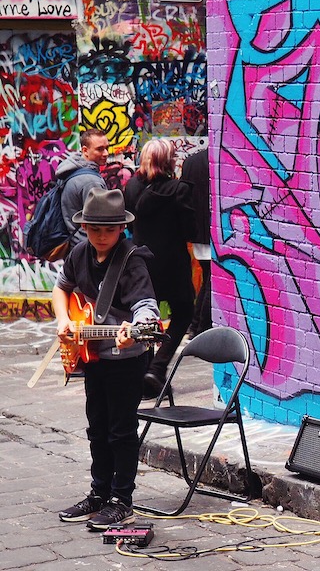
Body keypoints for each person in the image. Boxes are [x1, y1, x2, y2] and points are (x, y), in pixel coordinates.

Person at [53, 188, 160, 531]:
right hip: (94, 357)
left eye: (109, 230)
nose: (101, 236)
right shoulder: (79, 253)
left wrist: (138, 328)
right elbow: (61, 287)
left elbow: (147, 309)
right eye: (94, 229)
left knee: (121, 431)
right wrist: (63, 320)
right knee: (96, 428)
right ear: (84, 226)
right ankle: (99, 493)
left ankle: (121, 500)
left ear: (122, 229)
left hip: (126, 358)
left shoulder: (133, 261)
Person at [124, 138, 195, 398]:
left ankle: (144, 372)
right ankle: (156, 368)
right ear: (168, 161)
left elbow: (129, 224)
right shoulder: (178, 190)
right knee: (184, 313)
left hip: (140, 262)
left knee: (144, 314)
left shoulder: (131, 186)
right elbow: (190, 230)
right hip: (172, 264)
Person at [56, 129, 109, 249]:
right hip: (89, 248)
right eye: (100, 149)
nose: (106, 153)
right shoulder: (91, 181)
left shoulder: (70, 170)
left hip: (74, 245)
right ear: (85, 150)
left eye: (107, 148)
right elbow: (101, 221)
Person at [180, 148, 211, 339]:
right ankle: (200, 327)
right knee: (211, 280)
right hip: (212, 231)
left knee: (208, 277)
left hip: (196, 229)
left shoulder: (190, 162)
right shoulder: (219, 160)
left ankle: (196, 324)